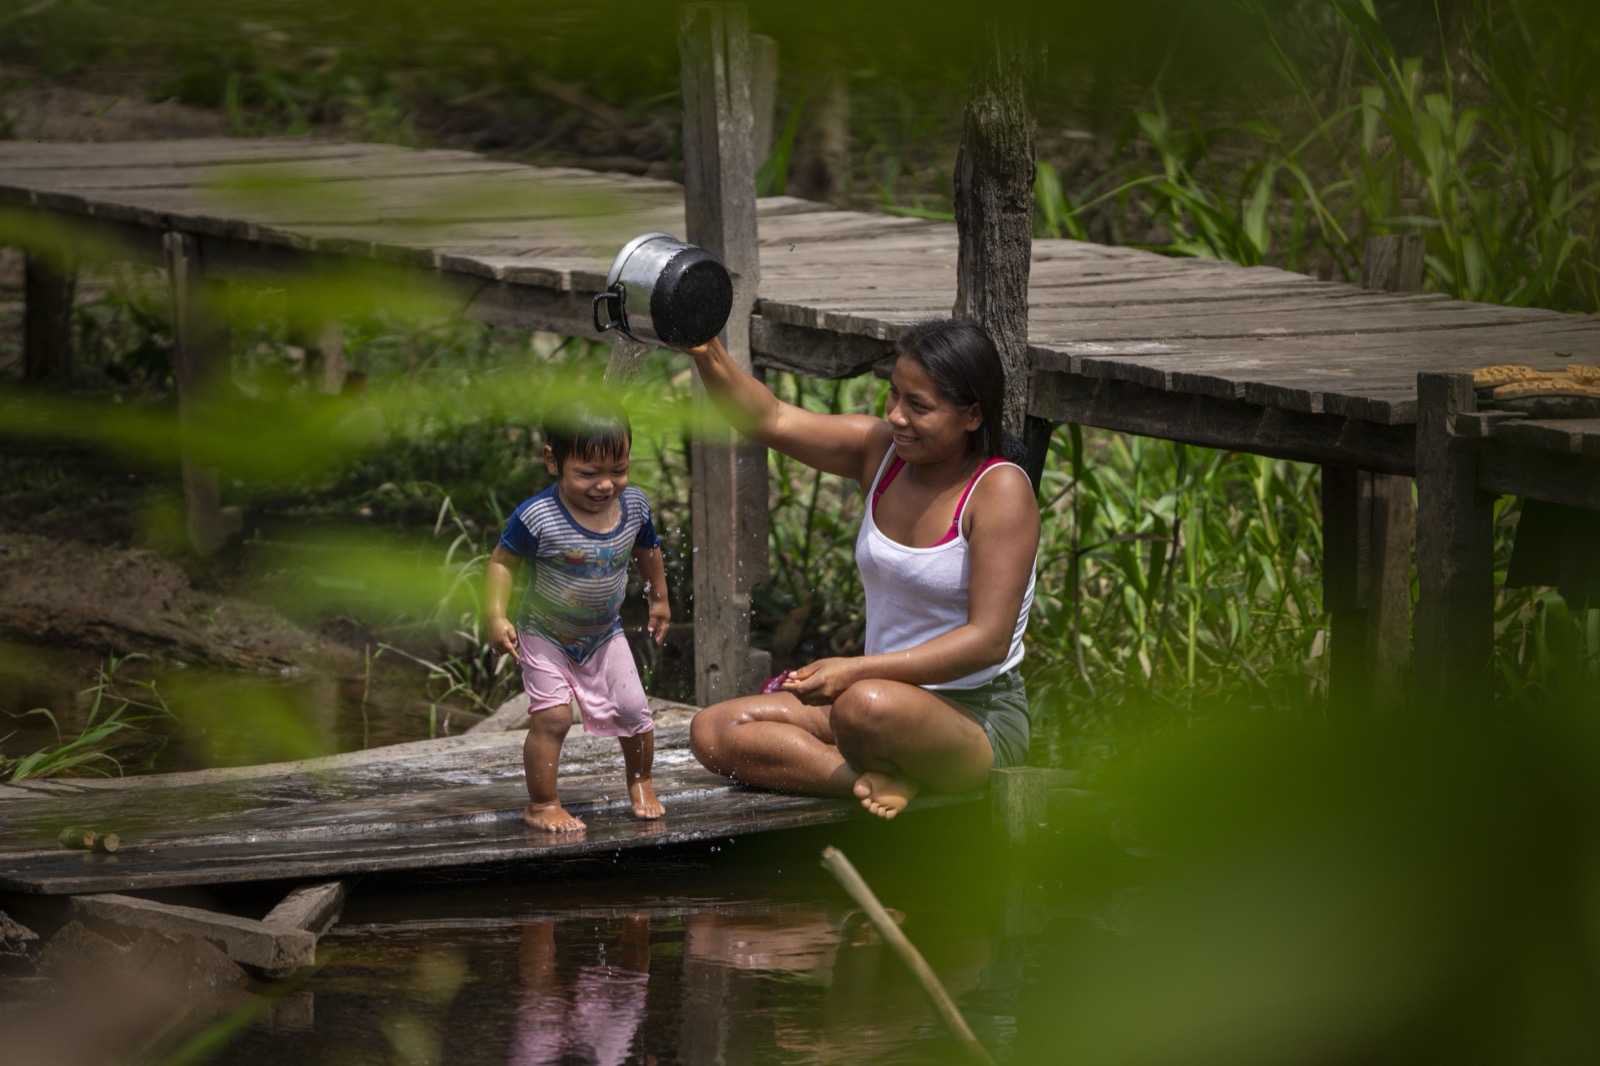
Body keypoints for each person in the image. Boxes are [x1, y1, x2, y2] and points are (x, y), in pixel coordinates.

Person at [684, 318, 1040, 819]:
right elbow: (769, 418)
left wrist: (855, 670)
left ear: (972, 416)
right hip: (875, 710)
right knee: (714, 731)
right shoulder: (881, 454)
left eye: (919, 407)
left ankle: (897, 765)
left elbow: (988, 640)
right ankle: (870, 778)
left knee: (862, 705)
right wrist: (704, 348)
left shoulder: (1000, 491)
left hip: (974, 719)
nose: (896, 416)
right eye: (893, 395)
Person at [486, 398, 671, 832]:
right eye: (588, 473)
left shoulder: (635, 508)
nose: (605, 485)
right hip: (545, 634)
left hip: (604, 633)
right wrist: (495, 614)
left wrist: (658, 599)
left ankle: (641, 780)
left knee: (633, 708)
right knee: (552, 717)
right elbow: (500, 562)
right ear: (553, 460)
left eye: (618, 470)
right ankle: (542, 803)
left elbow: (649, 552)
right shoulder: (537, 517)